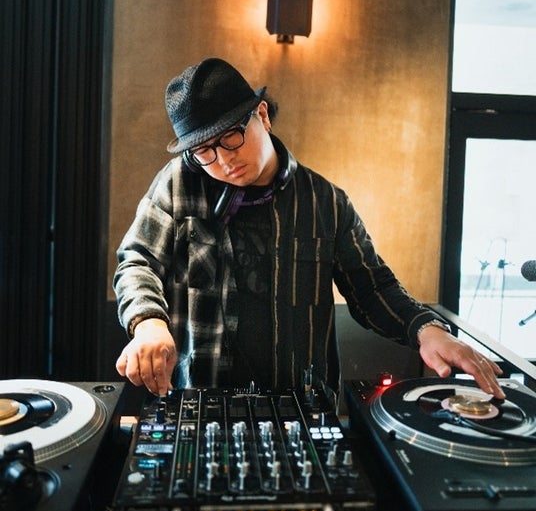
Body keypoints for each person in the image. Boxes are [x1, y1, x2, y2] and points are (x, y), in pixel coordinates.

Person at [113, 57, 505, 405]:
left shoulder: (326, 202)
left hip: (301, 404)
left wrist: (426, 329)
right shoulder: (179, 182)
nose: (223, 161)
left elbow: (372, 288)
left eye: (231, 137)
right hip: (201, 397)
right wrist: (148, 323)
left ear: (262, 115)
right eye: (205, 151)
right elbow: (137, 262)